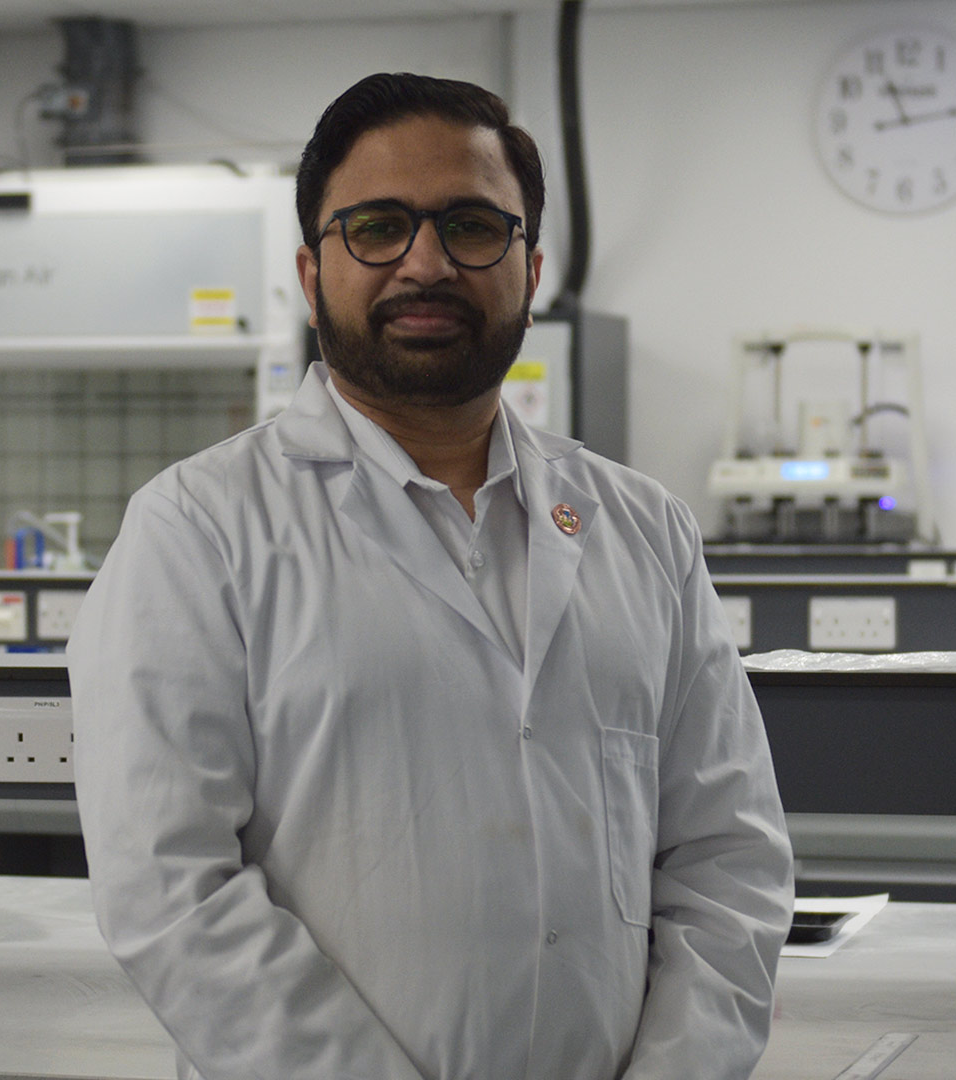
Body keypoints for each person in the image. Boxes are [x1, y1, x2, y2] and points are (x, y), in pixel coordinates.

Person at [69, 72, 794, 1080]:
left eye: (470, 225)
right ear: (310, 271)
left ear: (530, 267)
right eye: (375, 226)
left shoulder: (646, 531)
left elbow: (729, 862)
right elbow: (171, 891)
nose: (426, 261)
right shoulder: (197, 532)